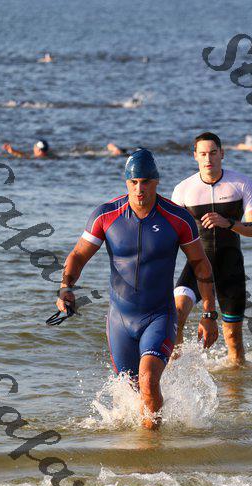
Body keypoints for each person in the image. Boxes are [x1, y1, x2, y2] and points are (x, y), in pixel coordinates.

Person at [56, 148, 218, 430]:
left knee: (148, 379)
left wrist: (209, 313)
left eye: (145, 182)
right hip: (119, 320)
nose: (139, 189)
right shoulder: (106, 215)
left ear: (156, 182)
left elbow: (200, 265)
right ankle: (148, 439)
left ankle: (150, 449)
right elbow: (78, 255)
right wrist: (65, 287)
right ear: (126, 182)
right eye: (133, 182)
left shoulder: (177, 218)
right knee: (134, 392)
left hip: (159, 315)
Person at [172, 132, 252, 366]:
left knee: (233, 339)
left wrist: (228, 223)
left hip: (229, 266)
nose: (208, 158)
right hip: (196, 266)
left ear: (222, 154)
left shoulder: (241, 184)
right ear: (195, 156)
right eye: (203, 154)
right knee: (176, 316)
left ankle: (237, 387)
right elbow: (172, 236)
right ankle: (174, 371)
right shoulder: (183, 189)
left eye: (213, 153)